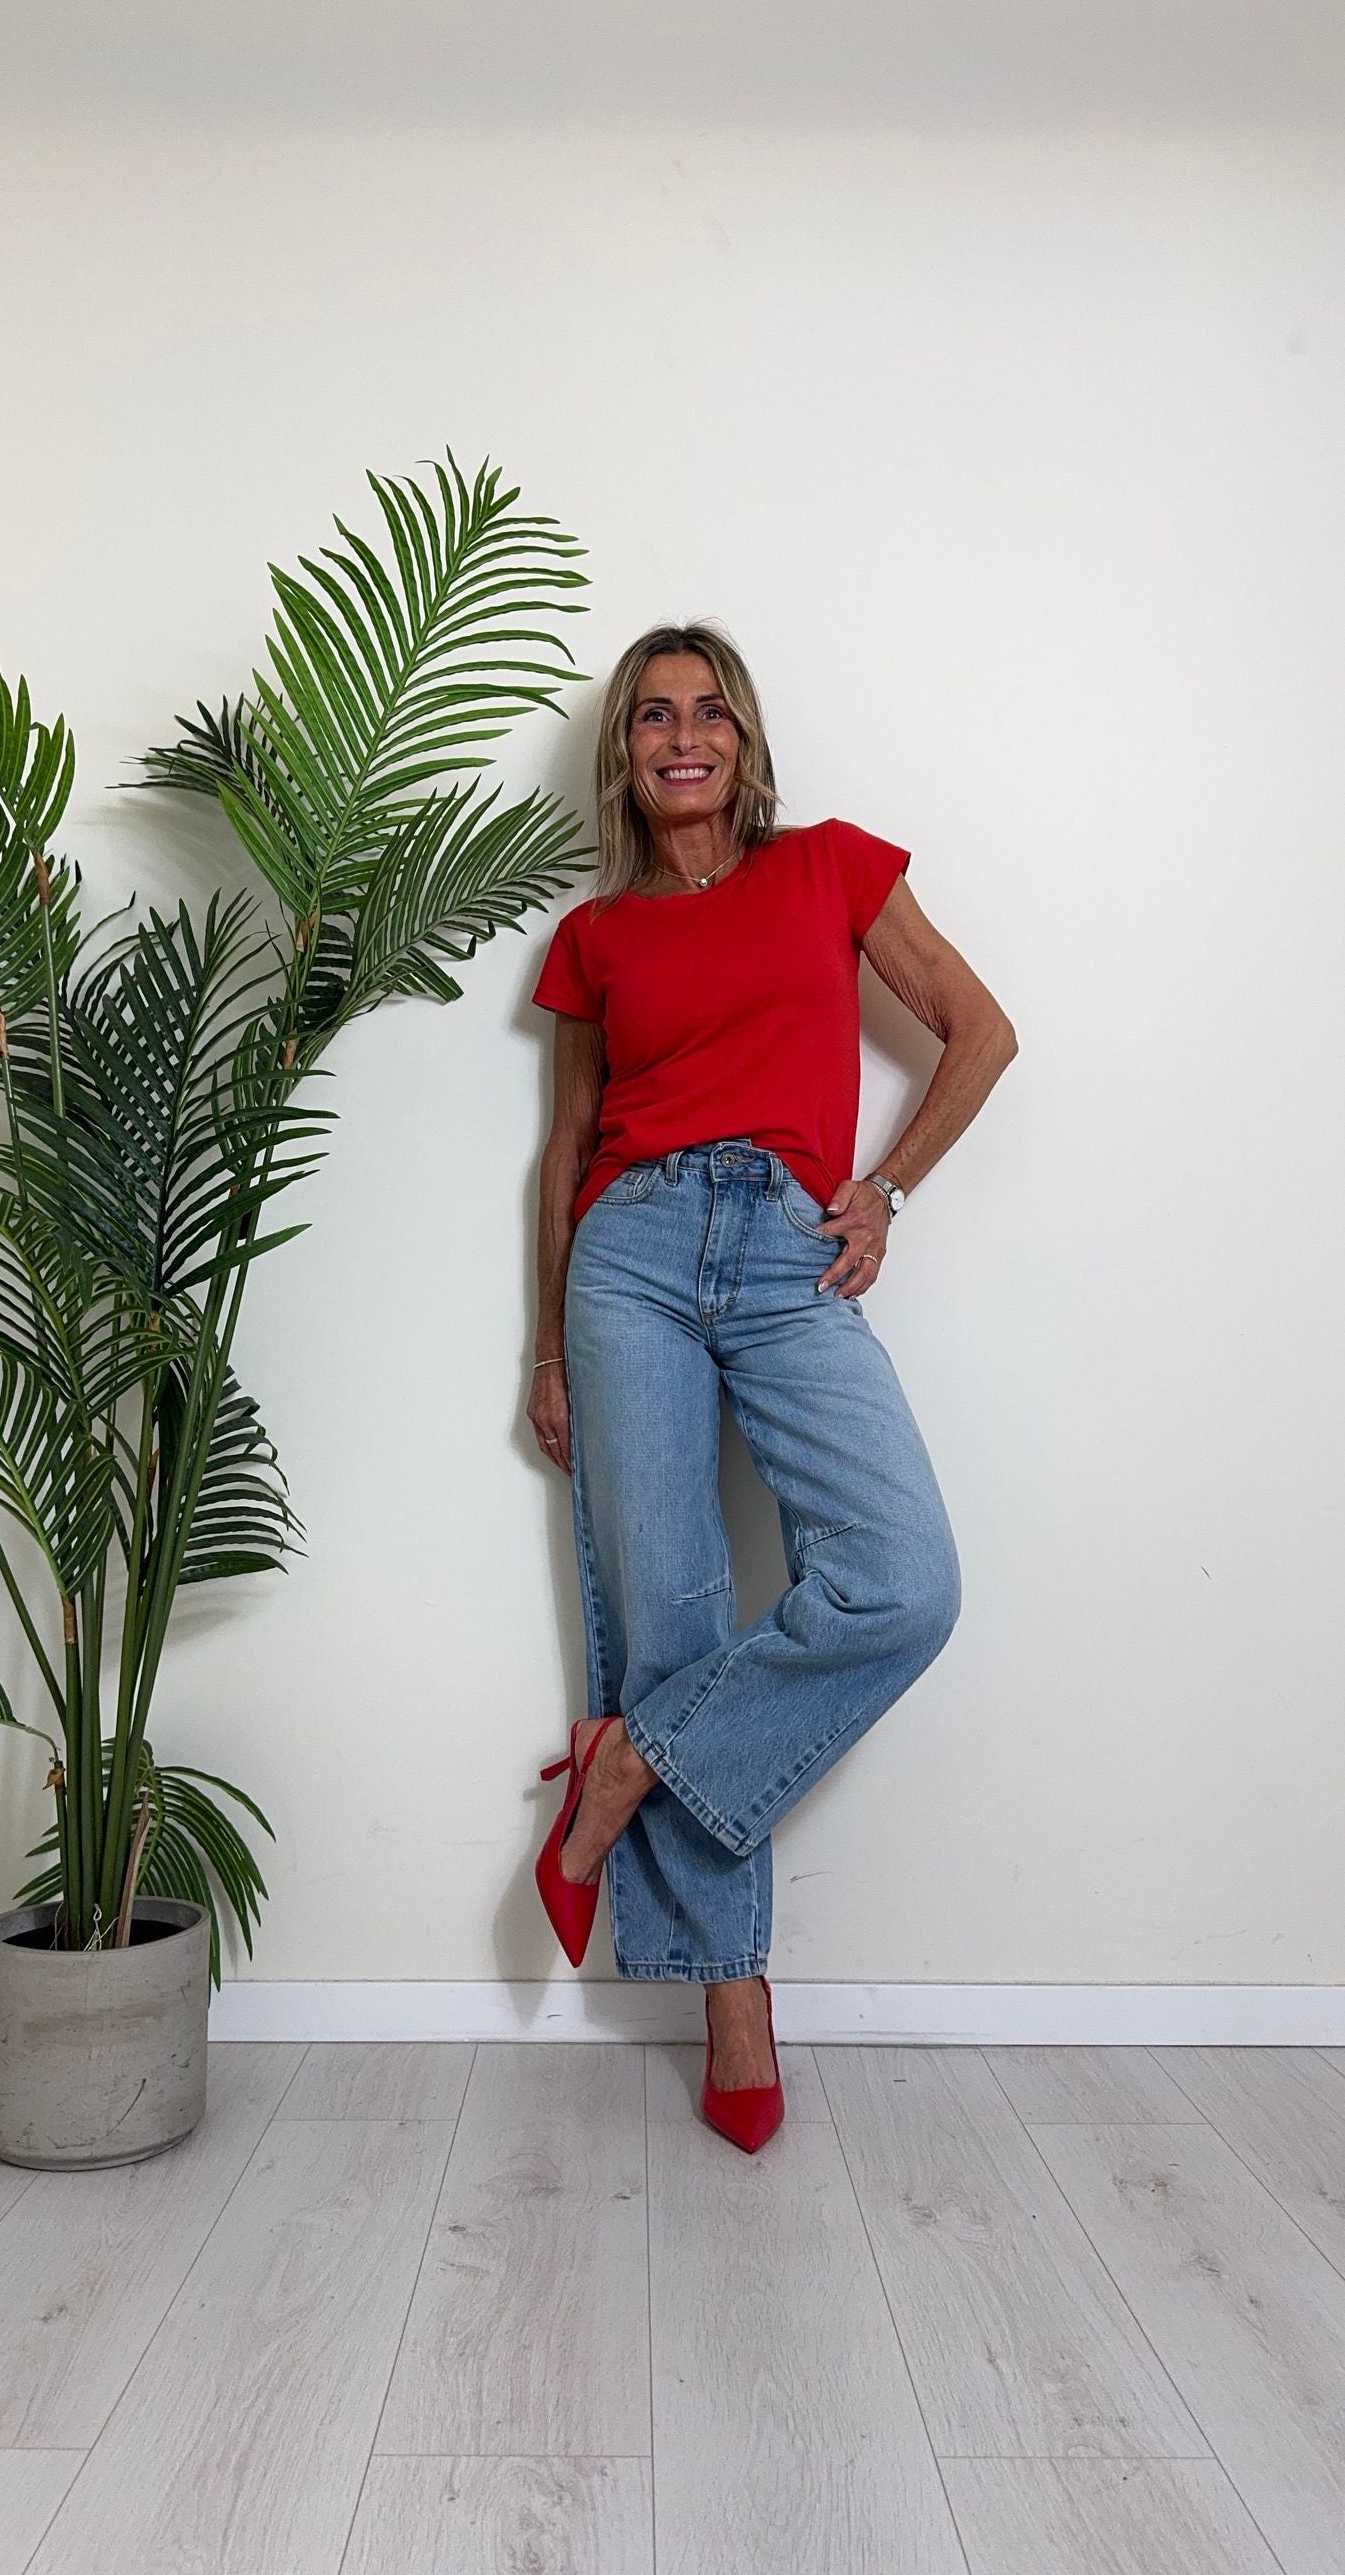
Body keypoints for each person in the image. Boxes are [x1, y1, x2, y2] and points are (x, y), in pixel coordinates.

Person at [526, 621, 1017, 2151]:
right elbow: (565, 1147)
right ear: (625, 755)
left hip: (789, 1243)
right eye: (652, 716)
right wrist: (545, 1346)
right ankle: (732, 1999)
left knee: (904, 1579)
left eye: (709, 712)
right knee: (671, 1613)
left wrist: (888, 1188)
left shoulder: (831, 870)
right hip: (628, 1256)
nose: (683, 736)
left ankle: (628, 1762)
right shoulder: (596, 938)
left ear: (744, 742)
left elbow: (983, 1033)